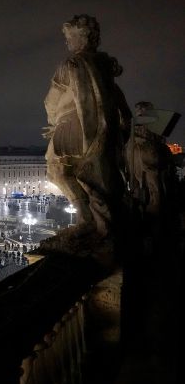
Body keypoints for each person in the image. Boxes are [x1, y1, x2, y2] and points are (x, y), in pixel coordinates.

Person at [42, 14, 132, 242]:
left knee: (57, 171)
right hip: (103, 130)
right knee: (91, 173)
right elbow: (120, 103)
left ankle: (86, 218)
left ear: (79, 37)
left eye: (68, 37)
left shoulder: (70, 65)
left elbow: (50, 100)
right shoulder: (104, 67)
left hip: (72, 126)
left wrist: (53, 123)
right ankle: (100, 218)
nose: (66, 42)